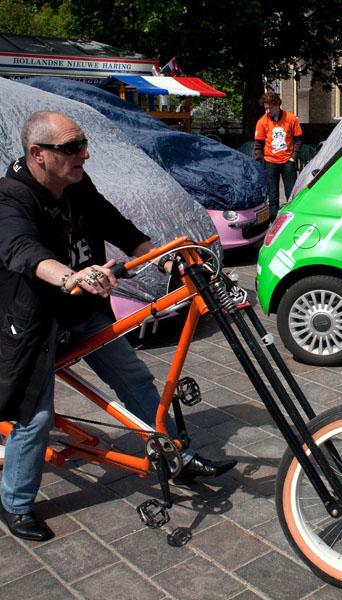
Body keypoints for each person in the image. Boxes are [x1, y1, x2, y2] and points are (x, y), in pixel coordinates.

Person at [0, 112, 236, 542]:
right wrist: (70, 276)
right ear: (38, 154)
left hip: (81, 310)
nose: (84, 154)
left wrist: (162, 256)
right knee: (34, 416)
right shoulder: (10, 198)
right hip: (33, 320)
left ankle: (179, 456)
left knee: (134, 376)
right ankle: (15, 504)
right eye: (72, 147)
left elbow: (116, 225)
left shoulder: (76, 184)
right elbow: (23, 250)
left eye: (84, 144)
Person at [253, 91, 303, 218]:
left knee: (291, 193)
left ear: (277, 105)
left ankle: (293, 217)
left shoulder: (290, 118)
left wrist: (293, 158)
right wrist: (259, 163)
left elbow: (298, 139)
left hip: (288, 161)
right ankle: (274, 220)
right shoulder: (262, 122)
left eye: (270, 107)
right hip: (270, 161)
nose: (268, 110)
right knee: (273, 195)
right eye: (266, 108)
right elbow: (258, 145)